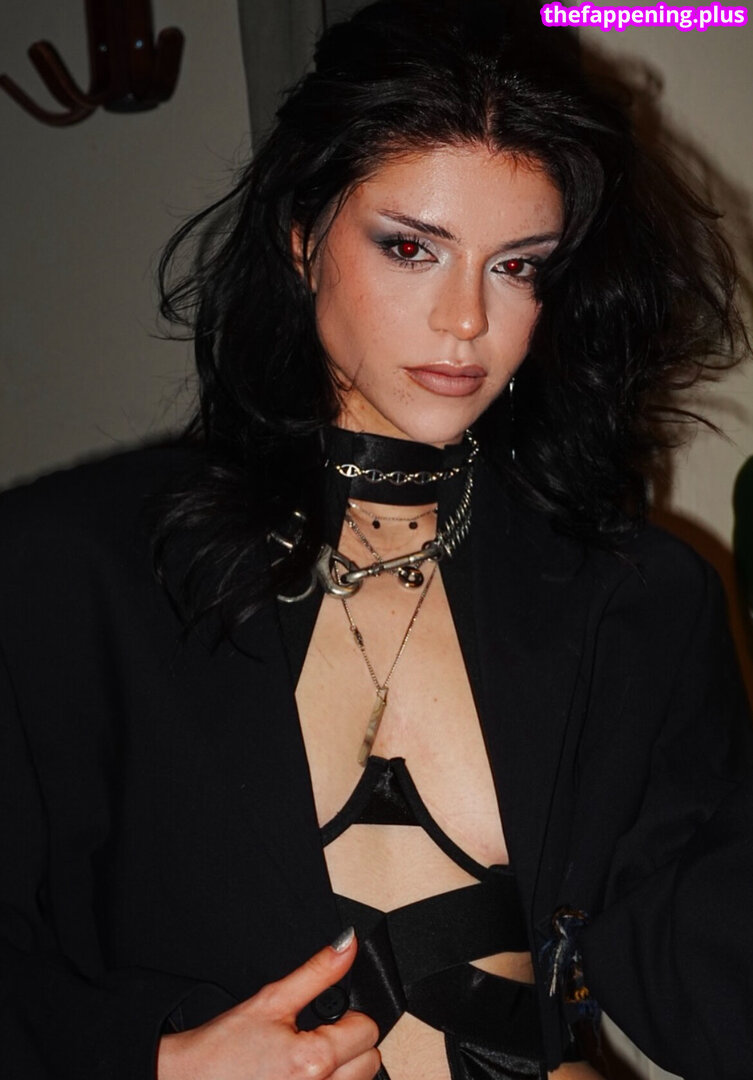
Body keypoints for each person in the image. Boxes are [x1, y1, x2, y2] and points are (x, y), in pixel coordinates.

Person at [1, 1, 751, 1078]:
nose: (466, 321)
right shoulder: (69, 573)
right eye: (410, 248)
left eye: (518, 266)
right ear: (301, 237)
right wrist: (159, 1064)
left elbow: (703, 973)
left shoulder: (636, 601)